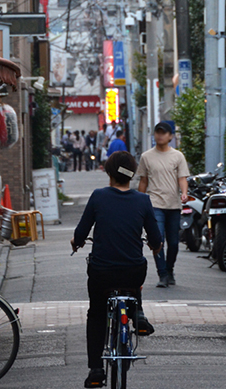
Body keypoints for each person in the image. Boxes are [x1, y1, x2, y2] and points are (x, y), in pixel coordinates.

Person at [71, 151, 162, 388]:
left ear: (109, 173)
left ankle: (96, 370)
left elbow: (81, 233)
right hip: (132, 272)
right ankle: (137, 312)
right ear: (131, 175)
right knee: (135, 268)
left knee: (97, 313)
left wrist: (77, 242)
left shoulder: (98, 197)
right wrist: (155, 245)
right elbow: (155, 237)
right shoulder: (143, 200)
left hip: (101, 272)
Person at [136, 122, 189, 288]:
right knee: (157, 240)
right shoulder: (146, 157)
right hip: (154, 204)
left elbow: (182, 177)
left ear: (170, 136)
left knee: (173, 243)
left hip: (173, 205)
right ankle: (163, 274)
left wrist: (184, 193)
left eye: (164, 133)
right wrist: (139, 200)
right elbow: (143, 180)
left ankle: (170, 269)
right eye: (158, 133)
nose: (160, 136)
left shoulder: (178, 156)